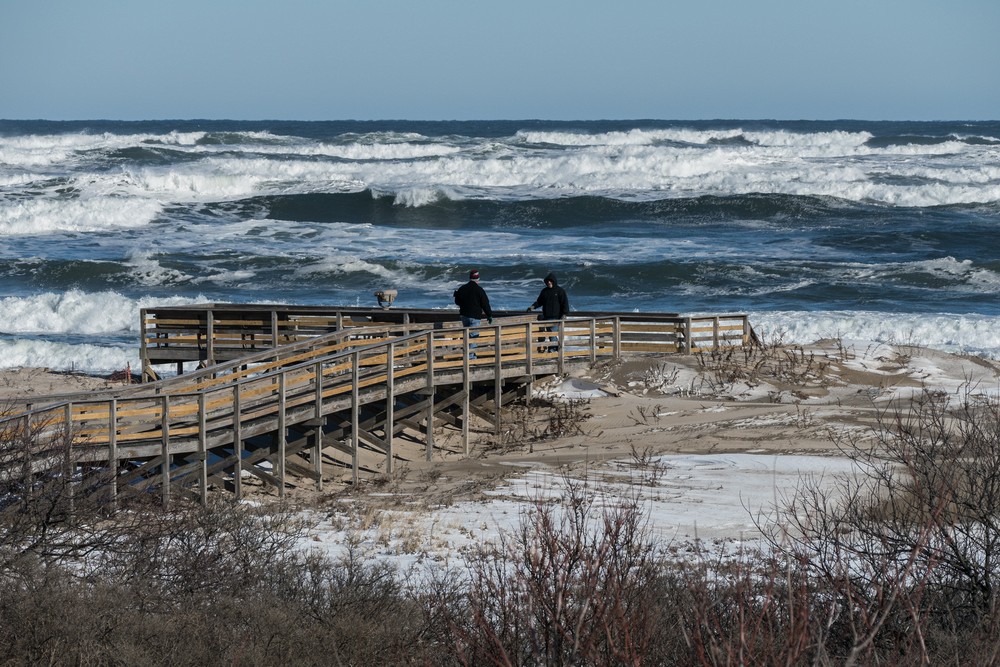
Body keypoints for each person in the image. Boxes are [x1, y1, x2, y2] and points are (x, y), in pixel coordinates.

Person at [454, 269, 493, 357]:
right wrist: (489, 315)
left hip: (464, 316)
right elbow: (485, 304)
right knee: (473, 338)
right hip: (475, 317)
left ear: (470, 278)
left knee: (467, 337)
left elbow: (457, 301)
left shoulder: (462, 288)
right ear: (478, 279)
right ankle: (471, 358)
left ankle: (468, 357)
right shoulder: (479, 290)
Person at [526, 272, 569, 352]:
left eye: (551, 281)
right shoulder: (544, 291)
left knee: (552, 334)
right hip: (546, 317)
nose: (549, 282)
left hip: (556, 317)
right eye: (547, 281)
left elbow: (565, 303)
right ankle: (557, 349)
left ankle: (552, 350)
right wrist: (532, 307)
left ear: (554, 281)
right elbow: (539, 302)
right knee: (550, 334)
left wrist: (565, 314)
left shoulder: (560, 291)